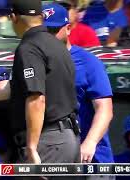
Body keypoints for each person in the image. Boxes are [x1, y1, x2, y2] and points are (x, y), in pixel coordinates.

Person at [0, 0, 80, 167]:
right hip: (67, 139)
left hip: (47, 141)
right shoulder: (57, 45)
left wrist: (32, 146)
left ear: (13, 17)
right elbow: (14, 88)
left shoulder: (29, 47)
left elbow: (36, 98)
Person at [43, 3, 114, 179]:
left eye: (54, 29)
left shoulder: (88, 62)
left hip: (92, 159)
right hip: (56, 157)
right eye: (45, 31)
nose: (49, 35)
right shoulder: (35, 61)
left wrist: (90, 142)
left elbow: (105, 109)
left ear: (67, 29)